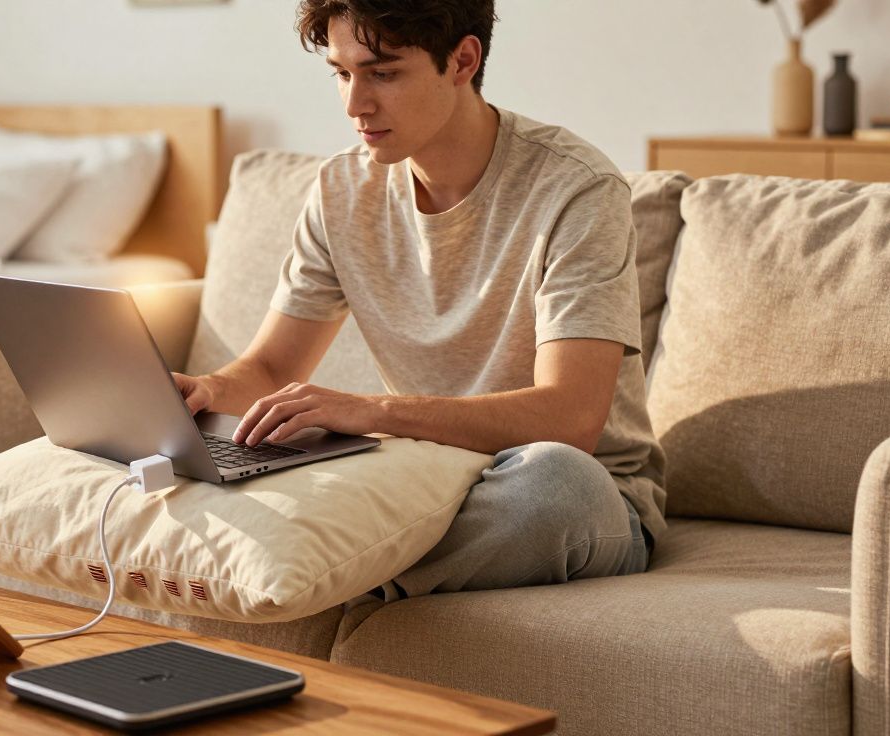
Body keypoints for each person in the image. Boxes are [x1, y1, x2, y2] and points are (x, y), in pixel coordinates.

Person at [172, 0, 664, 599]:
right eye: (342, 73)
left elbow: (571, 419)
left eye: (383, 73)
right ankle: (327, 571)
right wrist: (206, 392)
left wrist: (374, 413)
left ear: (462, 61)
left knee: (556, 483)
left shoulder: (577, 189)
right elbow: (273, 368)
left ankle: (328, 580)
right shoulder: (340, 189)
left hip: (577, 492)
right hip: (417, 483)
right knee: (244, 464)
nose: (355, 104)